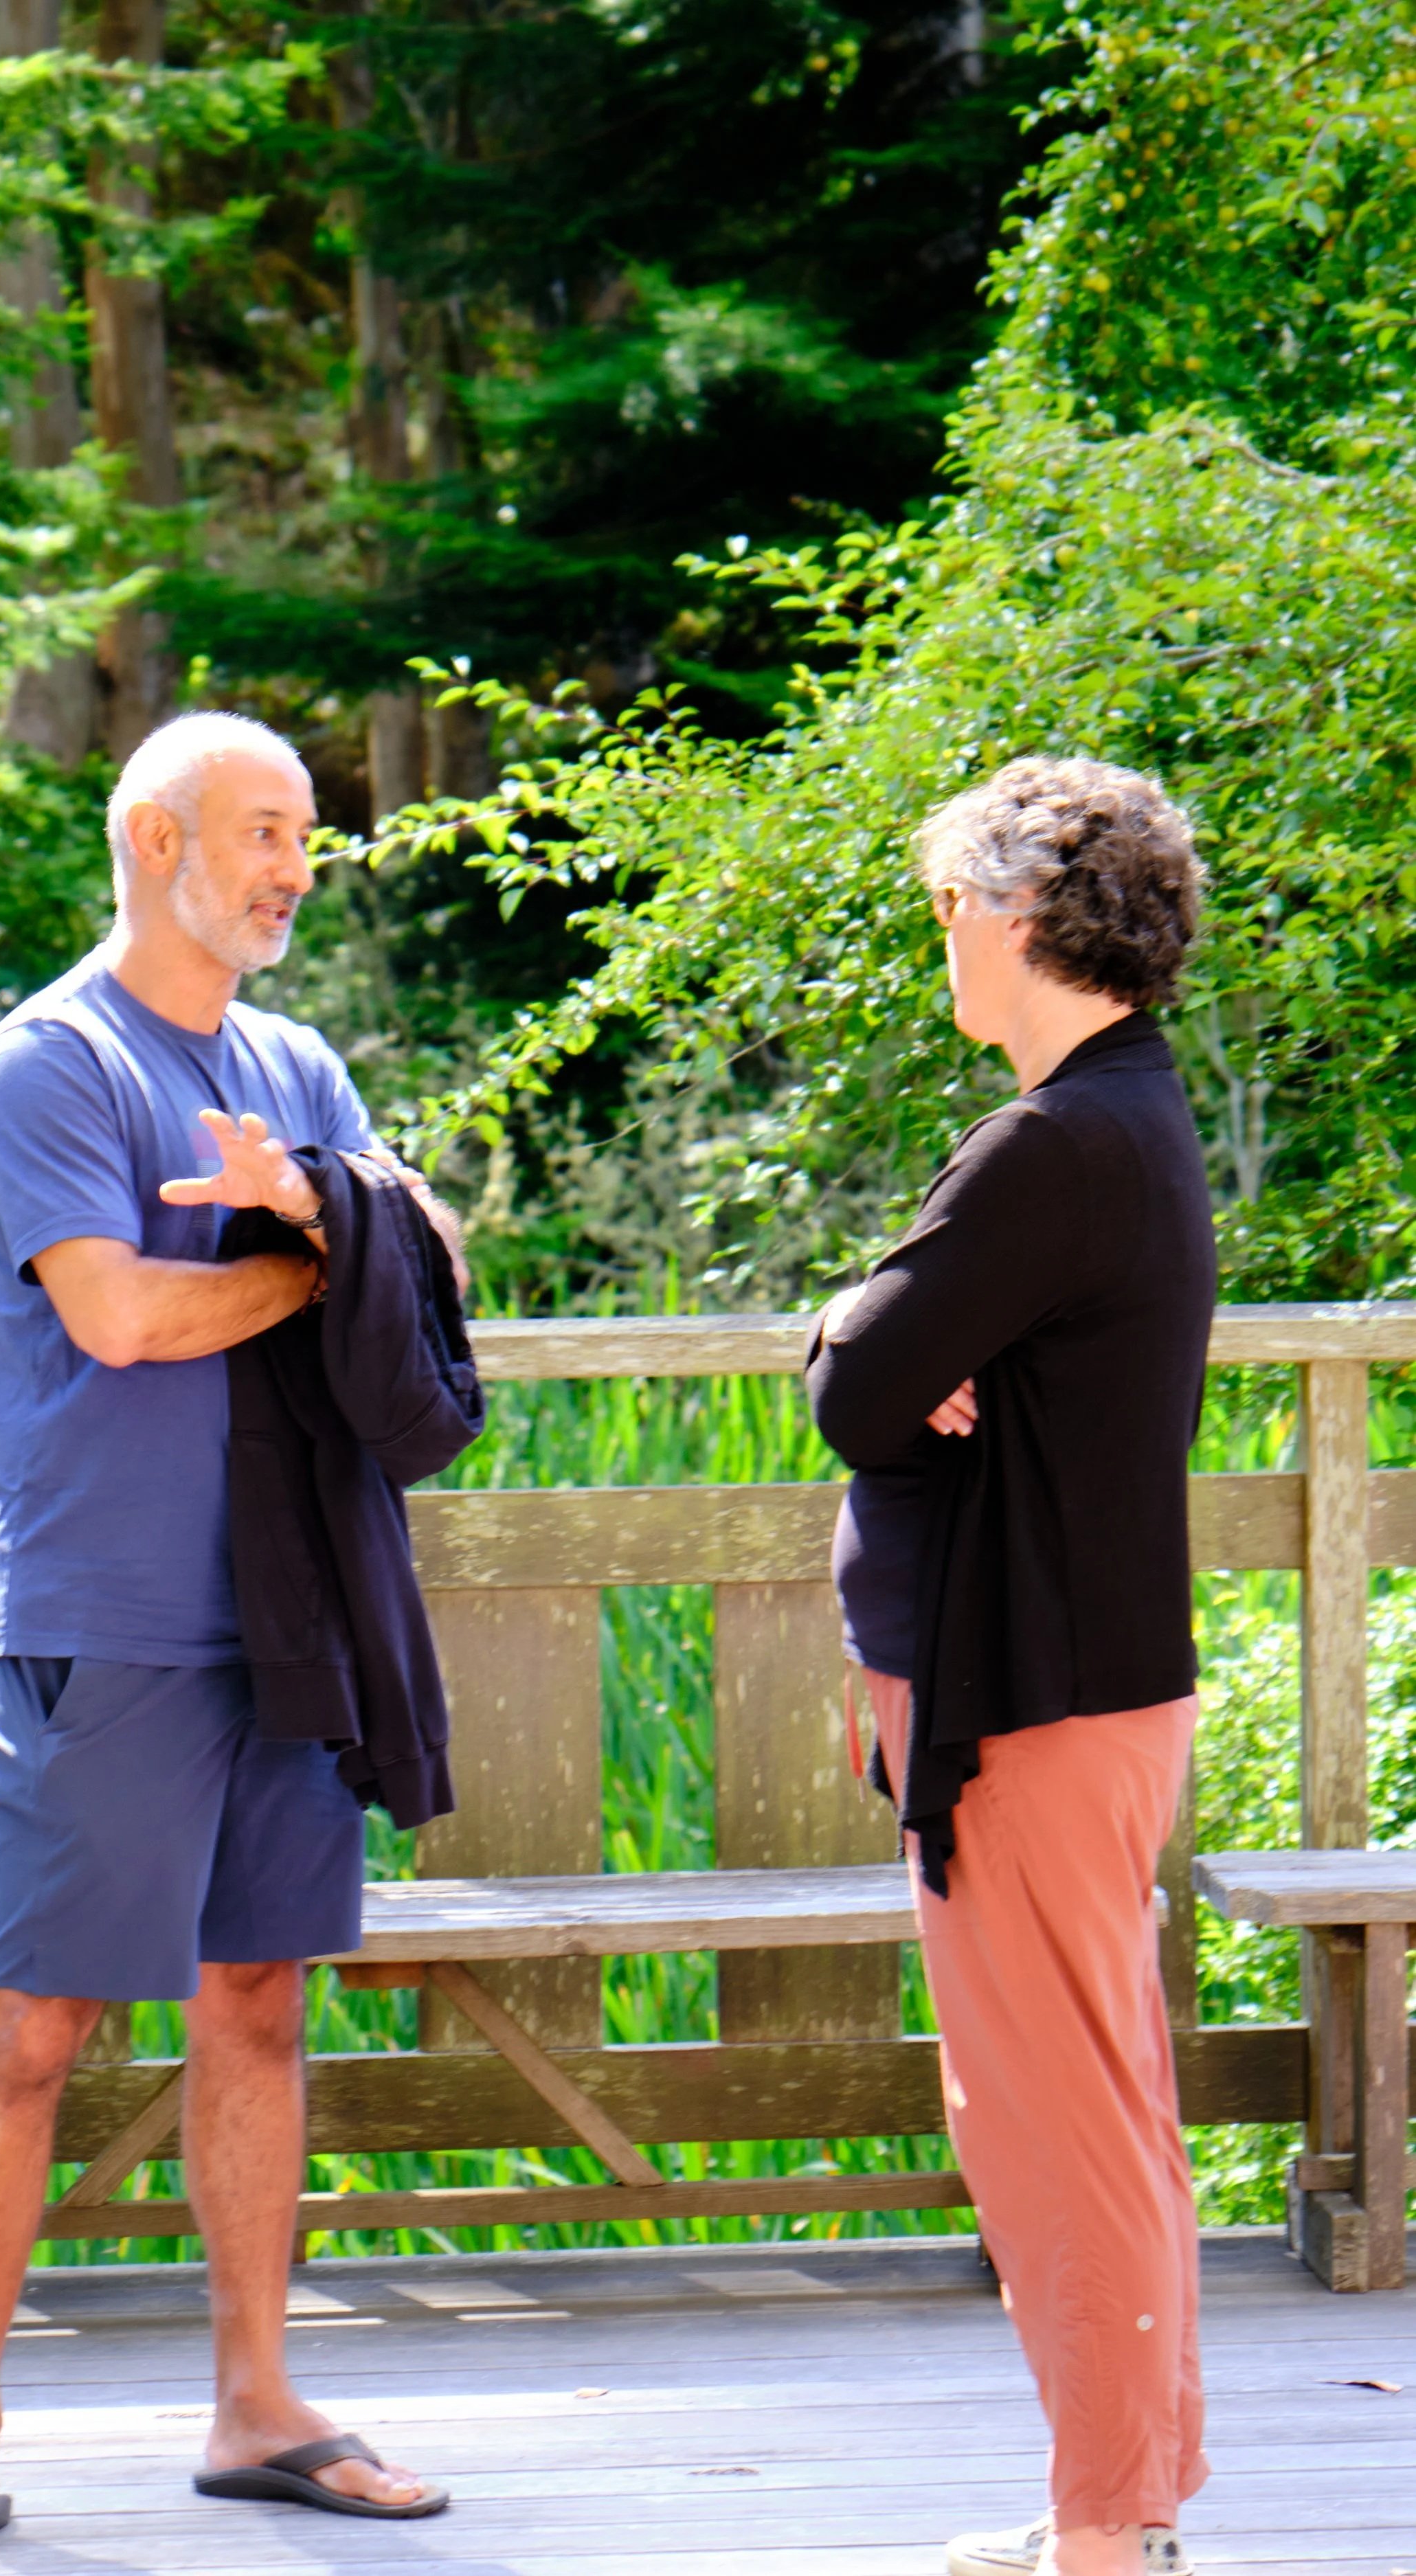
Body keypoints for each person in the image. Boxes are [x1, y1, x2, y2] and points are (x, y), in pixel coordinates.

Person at [0, 712, 459, 2569]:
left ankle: (256, 2405)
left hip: (289, 1605)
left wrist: (337, 1226)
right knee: (35, 2025)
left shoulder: (297, 1060)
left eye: (307, 835)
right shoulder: (48, 1061)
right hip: (104, 1617)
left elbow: (420, 1247)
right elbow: (120, 1314)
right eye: (266, 830)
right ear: (155, 836)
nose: (297, 864)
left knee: (262, 2000)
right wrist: (311, 1255)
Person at [807, 758, 1215, 2576]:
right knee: (1089, 2104)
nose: (942, 941)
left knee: (1057, 2124)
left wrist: (845, 1328)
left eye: (953, 908)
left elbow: (853, 1386)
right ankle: (1115, 2500)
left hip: (1039, 1703)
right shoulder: (1117, 1117)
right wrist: (875, 1339)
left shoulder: (1056, 1143)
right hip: (1063, 1682)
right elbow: (894, 1368)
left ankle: (1107, 2532)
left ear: (1028, 918)